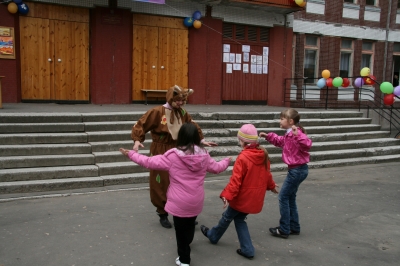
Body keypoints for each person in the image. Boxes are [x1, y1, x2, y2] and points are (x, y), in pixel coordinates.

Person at [121, 123, 230, 266]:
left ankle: (184, 259)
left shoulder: (173, 156)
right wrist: (227, 160)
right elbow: (217, 168)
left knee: (180, 232)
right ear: (197, 138)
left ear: (181, 137)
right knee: (190, 225)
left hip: (178, 202)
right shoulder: (204, 155)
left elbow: (148, 162)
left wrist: (131, 154)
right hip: (196, 200)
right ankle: (188, 241)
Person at [131, 85, 217, 229]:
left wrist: (201, 140)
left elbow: (192, 127)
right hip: (161, 149)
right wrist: (137, 140)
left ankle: (183, 213)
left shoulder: (183, 112)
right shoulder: (157, 112)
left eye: (182, 101)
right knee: (161, 181)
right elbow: (141, 124)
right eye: (178, 101)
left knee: (180, 182)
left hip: (180, 150)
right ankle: (162, 212)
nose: (180, 103)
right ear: (171, 98)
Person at [200, 124, 278, 260]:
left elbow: (235, 182)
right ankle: (216, 236)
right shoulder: (263, 154)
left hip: (242, 198)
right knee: (238, 218)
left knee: (229, 217)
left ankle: (222, 238)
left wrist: (226, 195)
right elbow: (267, 175)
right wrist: (271, 186)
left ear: (242, 141)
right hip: (254, 198)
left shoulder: (243, 158)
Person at [259, 108, 312, 239]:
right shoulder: (289, 135)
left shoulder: (297, 133)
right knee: (290, 197)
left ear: (290, 121)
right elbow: (281, 141)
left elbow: (307, 144)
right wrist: (268, 136)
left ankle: (284, 229)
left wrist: (297, 135)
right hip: (297, 169)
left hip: (297, 170)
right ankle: (294, 226)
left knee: (283, 197)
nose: (280, 120)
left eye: (282, 118)